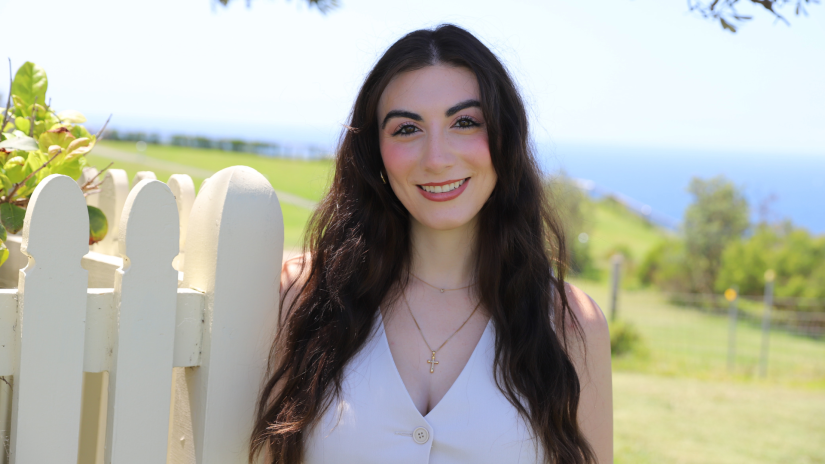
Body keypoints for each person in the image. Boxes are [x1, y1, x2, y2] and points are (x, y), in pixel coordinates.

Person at [250, 24, 612, 464]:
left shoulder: (571, 325)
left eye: (465, 122)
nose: (437, 158)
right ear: (375, 153)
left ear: (506, 138)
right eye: (406, 129)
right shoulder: (305, 297)